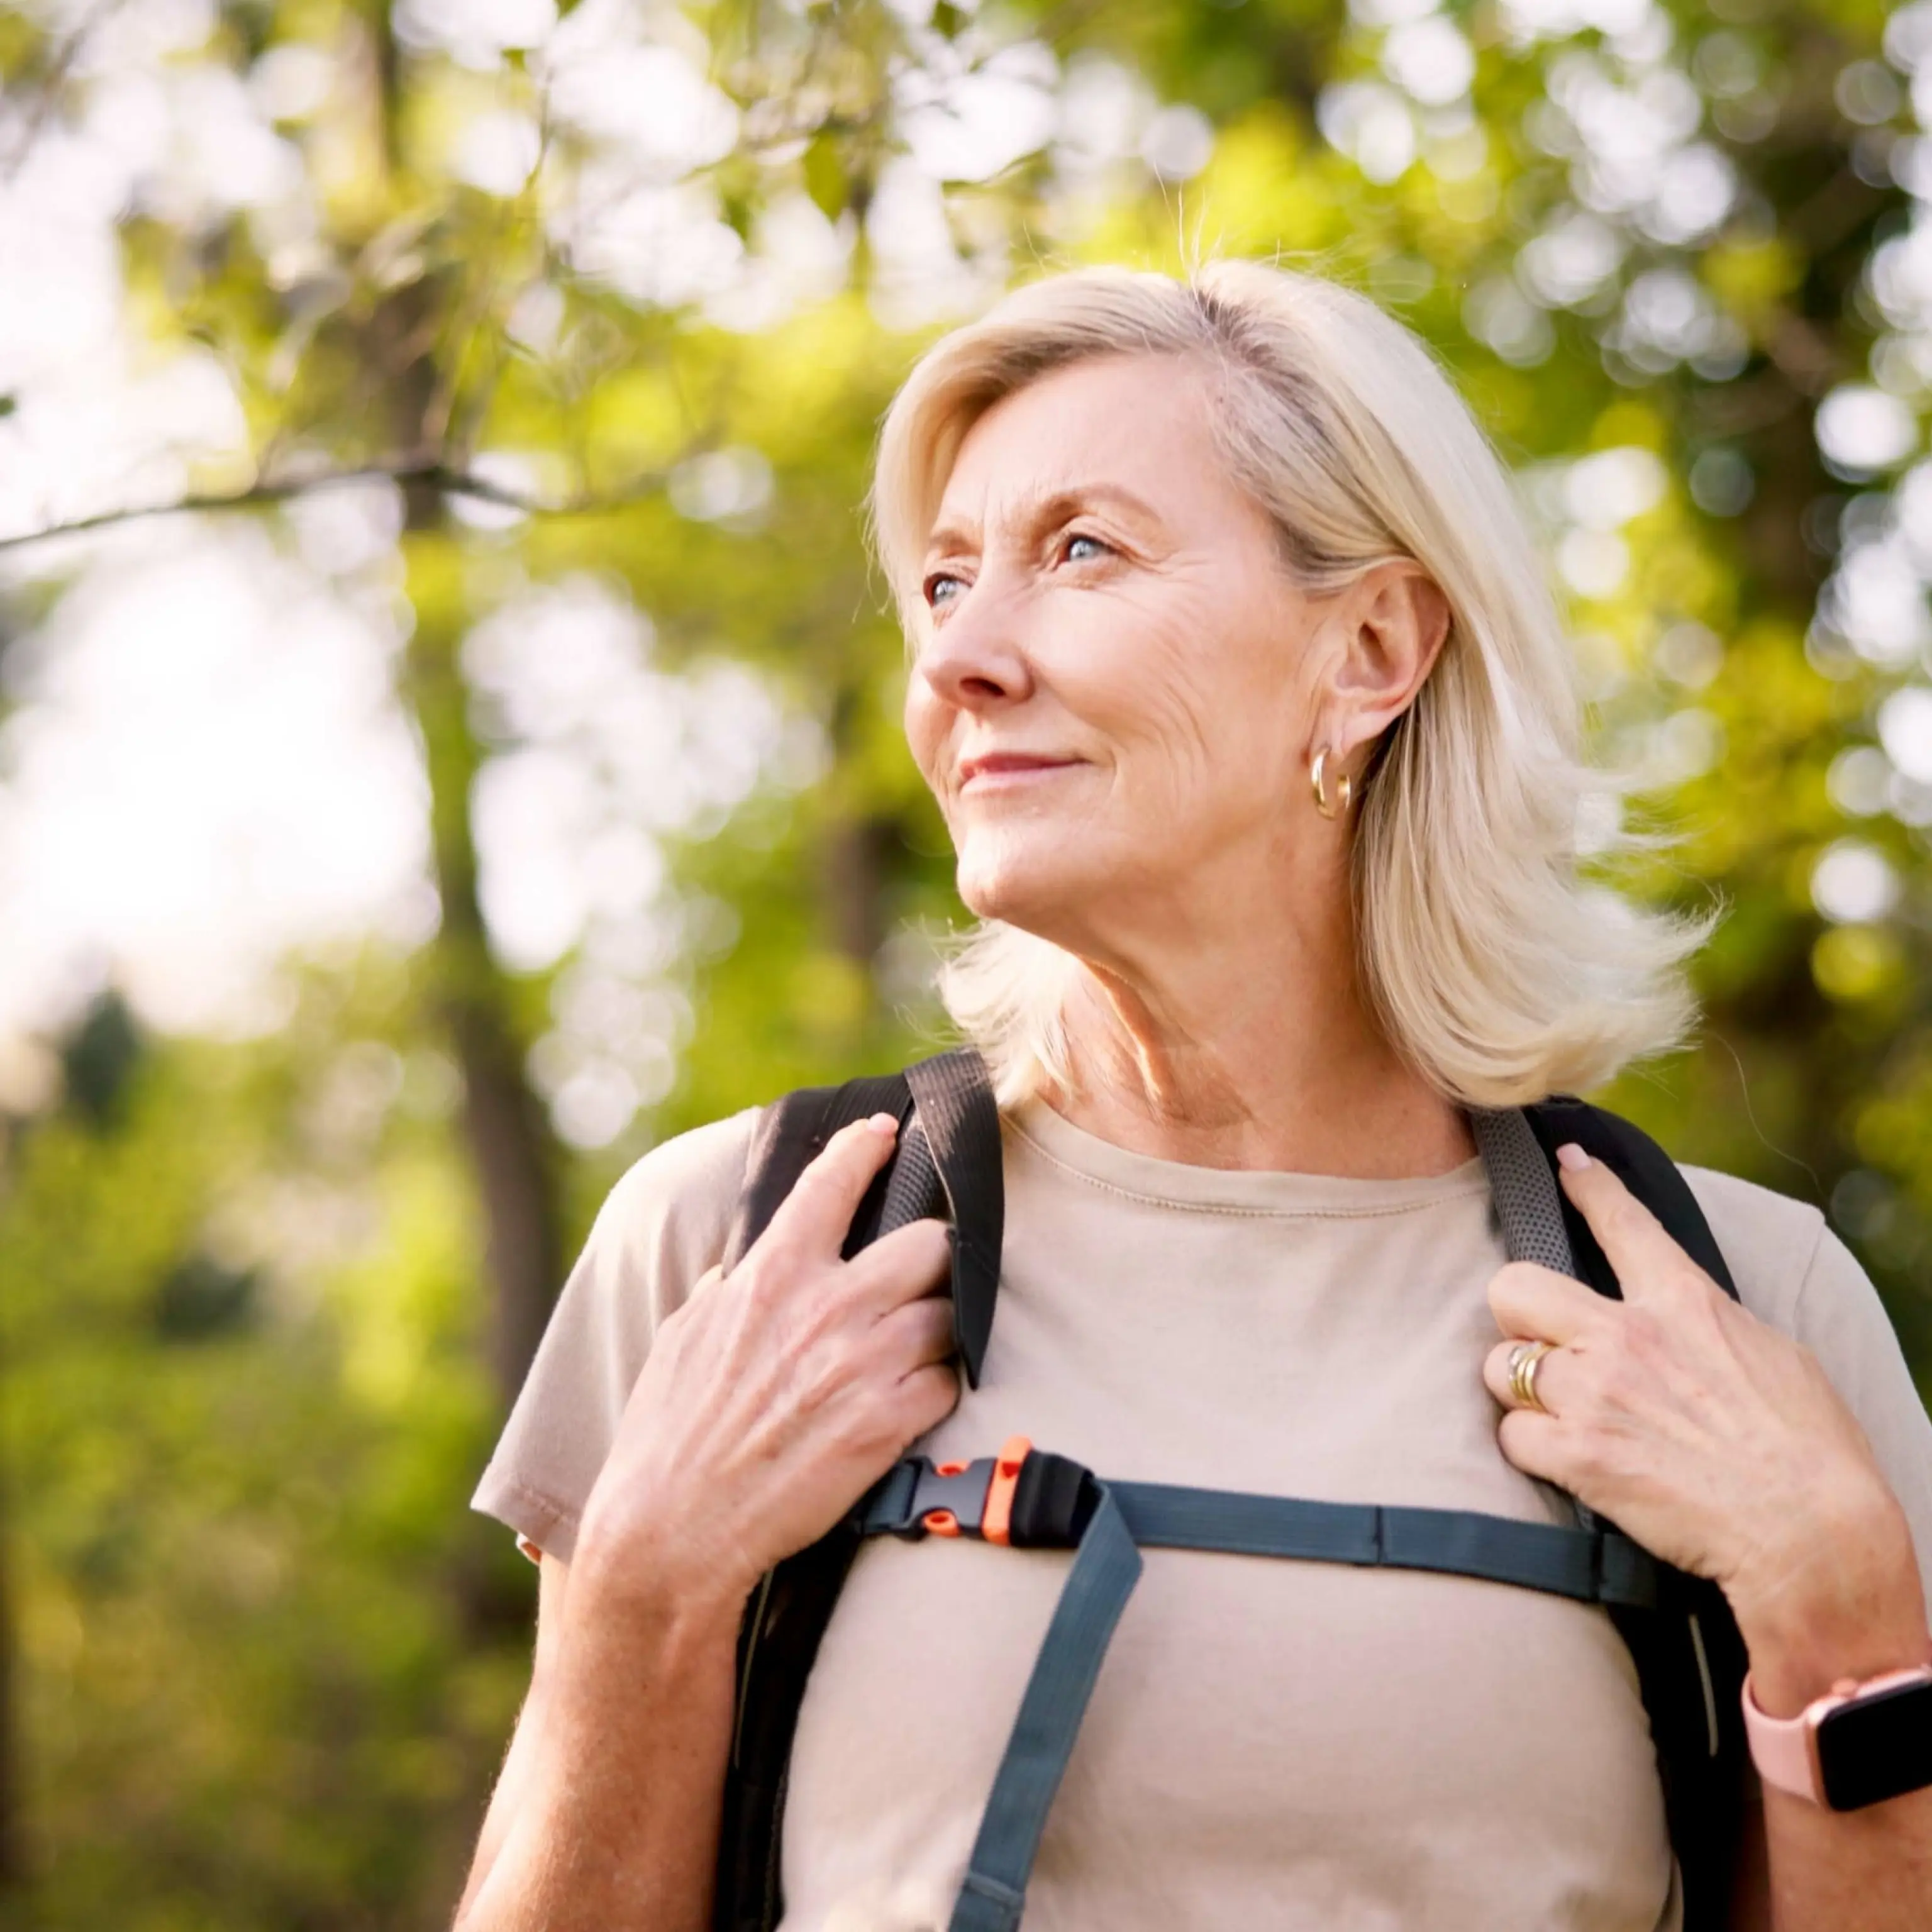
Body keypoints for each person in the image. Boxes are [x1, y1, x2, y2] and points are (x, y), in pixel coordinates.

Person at [450, 260, 1932, 1932]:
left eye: (1080, 552)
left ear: (1371, 648)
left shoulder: (1746, 1306)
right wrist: (643, 1597)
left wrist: (1845, 1613)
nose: (963, 662)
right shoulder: (744, 1244)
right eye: (944, 584)